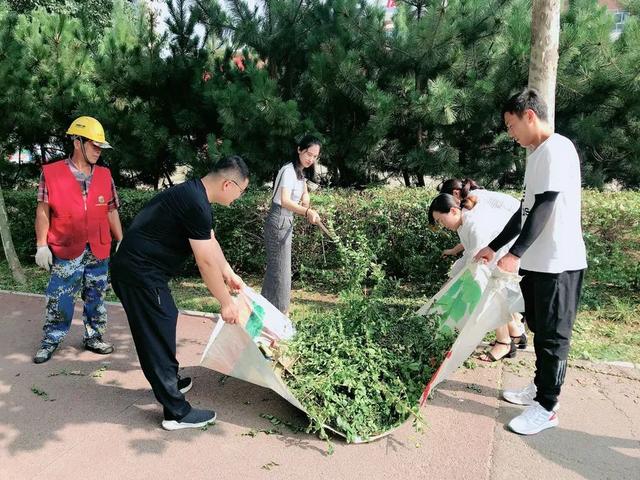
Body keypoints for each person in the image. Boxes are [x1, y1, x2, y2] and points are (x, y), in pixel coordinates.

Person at [475, 88, 587, 435]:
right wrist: (493, 247)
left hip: (559, 262)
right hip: (538, 264)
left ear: (529, 116)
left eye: (511, 126)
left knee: (554, 338)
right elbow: (523, 211)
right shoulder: (536, 154)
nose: (510, 134)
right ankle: (540, 390)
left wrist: (515, 253)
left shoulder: (557, 148)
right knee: (540, 331)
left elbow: (546, 206)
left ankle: (549, 407)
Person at [111, 155, 249, 431]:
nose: (239, 198)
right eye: (241, 192)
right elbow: (205, 261)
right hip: (139, 274)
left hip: (141, 271)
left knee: (164, 318)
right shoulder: (195, 202)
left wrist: (229, 272)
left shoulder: (195, 196)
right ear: (228, 184)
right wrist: (225, 303)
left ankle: (169, 383)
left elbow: (210, 242)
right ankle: (176, 412)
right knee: (157, 331)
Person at [33, 116, 123, 364]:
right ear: (77, 142)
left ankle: (94, 336)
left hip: (99, 247)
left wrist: (121, 240)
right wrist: (42, 245)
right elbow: (43, 210)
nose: (98, 151)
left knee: (96, 295)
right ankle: (51, 338)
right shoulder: (51, 173)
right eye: (94, 145)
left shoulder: (105, 175)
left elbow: (112, 210)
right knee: (60, 296)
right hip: (65, 246)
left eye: (100, 147)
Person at [428, 192, 524, 362]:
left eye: (441, 220)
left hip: (494, 261)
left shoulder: (473, 224)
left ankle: (505, 343)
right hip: (487, 262)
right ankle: (516, 334)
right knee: (494, 300)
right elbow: (468, 253)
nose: (442, 225)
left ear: (453, 211)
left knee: (490, 301)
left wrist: (454, 281)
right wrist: (453, 277)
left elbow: (475, 258)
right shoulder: (463, 224)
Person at [261, 135, 321, 316]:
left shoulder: (299, 172)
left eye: (315, 156)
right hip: (279, 219)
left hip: (285, 221)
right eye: (308, 153)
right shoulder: (288, 171)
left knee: (276, 270)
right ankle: (281, 315)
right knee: (281, 272)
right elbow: (285, 201)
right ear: (299, 150)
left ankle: (264, 313)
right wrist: (306, 212)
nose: (310, 159)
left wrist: (307, 204)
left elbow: (304, 196)